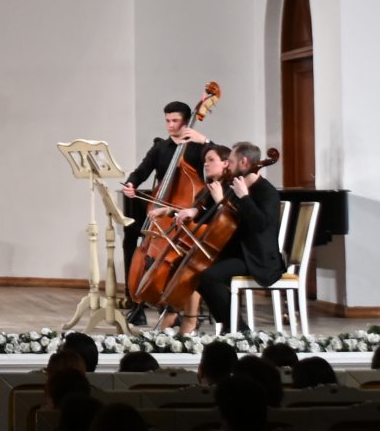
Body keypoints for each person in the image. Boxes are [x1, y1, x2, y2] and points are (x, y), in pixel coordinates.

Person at [186, 143, 283, 334]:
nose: (228, 166)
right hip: (238, 253)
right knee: (197, 274)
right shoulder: (235, 185)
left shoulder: (266, 191)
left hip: (258, 257)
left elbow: (261, 225)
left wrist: (244, 198)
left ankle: (239, 329)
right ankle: (232, 326)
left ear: (244, 162)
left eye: (230, 161)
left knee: (210, 277)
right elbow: (220, 215)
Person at [119, 100, 210, 283]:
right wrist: (131, 184)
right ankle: (133, 293)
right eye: (167, 120)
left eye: (175, 121)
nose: (170, 125)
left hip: (190, 208)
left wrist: (206, 142)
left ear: (185, 122)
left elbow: (221, 160)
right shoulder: (160, 148)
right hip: (162, 203)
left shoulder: (198, 147)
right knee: (131, 234)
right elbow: (141, 171)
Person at [149, 143, 230, 331]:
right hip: (210, 246)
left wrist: (219, 199)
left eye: (211, 160)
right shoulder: (210, 188)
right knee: (181, 263)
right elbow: (197, 213)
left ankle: (187, 319)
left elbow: (227, 219)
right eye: (205, 161)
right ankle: (177, 315)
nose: (206, 164)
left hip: (224, 248)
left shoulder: (228, 189)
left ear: (226, 164)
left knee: (191, 266)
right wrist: (170, 211)